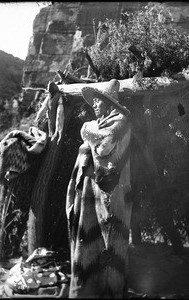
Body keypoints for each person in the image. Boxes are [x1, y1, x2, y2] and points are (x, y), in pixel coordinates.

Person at [66, 79, 132, 298]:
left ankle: (110, 292)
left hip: (112, 195)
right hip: (90, 193)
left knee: (110, 244)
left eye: (97, 101)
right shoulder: (101, 123)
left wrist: (86, 128)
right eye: (93, 101)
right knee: (88, 242)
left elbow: (105, 147)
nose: (94, 105)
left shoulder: (121, 121)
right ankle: (87, 290)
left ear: (108, 102)